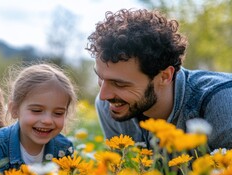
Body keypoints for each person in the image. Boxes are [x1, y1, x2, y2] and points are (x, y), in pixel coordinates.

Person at [86, 8, 232, 151]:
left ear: (165, 76)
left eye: (119, 84)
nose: (104, 95)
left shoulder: (222, 104)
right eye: (100, 77)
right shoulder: (111, 108)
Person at [0, 63, 77, 173]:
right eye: (36, 110)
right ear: (14, 109)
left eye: (58, 113)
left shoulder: (64, 148)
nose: (47, 121)